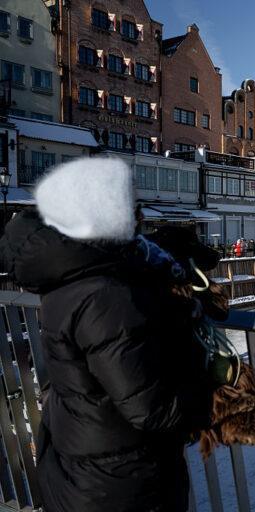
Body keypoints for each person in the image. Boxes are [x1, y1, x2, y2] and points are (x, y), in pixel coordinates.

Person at [0, 158, 215, 512]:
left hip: (83, 468)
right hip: (120, 484)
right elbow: (151, 409)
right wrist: (207, 390)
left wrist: (157, 264)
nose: (139, 217)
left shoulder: (72, 273)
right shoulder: (104, 294)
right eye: (132, 208)